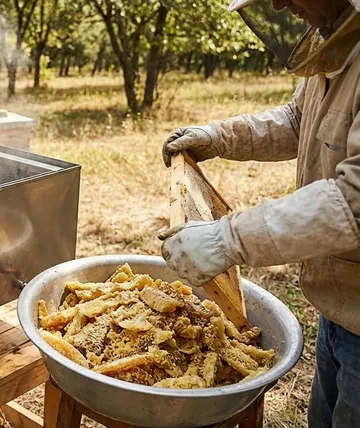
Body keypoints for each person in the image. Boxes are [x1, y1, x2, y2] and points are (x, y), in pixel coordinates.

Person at [159, 0, 360, 426]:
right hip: (343, 303)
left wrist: (228, 238)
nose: (278, 4)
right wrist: (217, 137)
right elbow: (296, 120)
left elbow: (354, 199)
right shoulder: (337, 41)